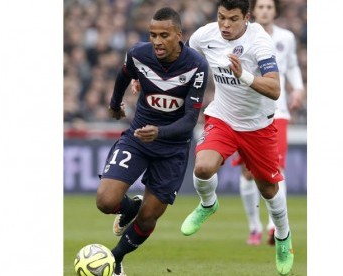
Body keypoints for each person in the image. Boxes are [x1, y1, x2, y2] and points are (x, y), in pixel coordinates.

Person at [179, 0, 294, 274]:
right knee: (203, 166)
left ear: (247, 17)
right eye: (221, 18)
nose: (225, 25)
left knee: (268, 189)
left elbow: (275, 89)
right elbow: (185, 62)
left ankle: (283, 237)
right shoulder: (204, 36)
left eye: (232, 19)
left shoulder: (260, 43)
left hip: (258, 126)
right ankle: (208, 204)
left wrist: (244, 76)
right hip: (223, 117)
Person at [96, 7, 209, 276]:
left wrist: (159, 132)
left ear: (179, 35)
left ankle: (114, 260)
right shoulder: (138, 53)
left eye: (164, 35)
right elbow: (124, 74)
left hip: (172, 149)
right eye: (152, 34)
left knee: (148, 218)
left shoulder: (197, 66)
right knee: (105, 201)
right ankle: (129, 206)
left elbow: (190, 119)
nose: (157, 41)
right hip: (138, 138)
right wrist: (115, 105)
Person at [234, 0, 306, 247]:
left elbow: (292, 66)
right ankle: (254, 226)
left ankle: (273, 226)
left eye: (269, 7)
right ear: (254, 11)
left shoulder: (286, 37)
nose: (265, 10)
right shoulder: (242, 37)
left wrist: (298, 88)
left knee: (277, 169)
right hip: (249, 113)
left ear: (275, 11)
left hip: (278, 111)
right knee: (247, 173)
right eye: (261, 7)